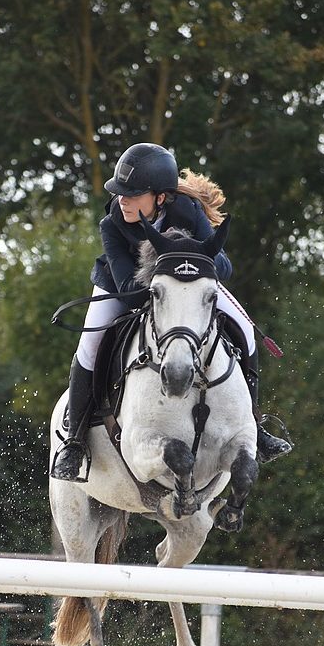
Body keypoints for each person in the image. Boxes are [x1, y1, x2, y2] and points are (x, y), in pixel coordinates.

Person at [51, 142, 292, 481]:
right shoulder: (112, 223)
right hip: (120, 285)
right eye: (121, 193)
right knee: (89, 346)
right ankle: (74, 442)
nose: (123, 200)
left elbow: (223, 267)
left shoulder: (187, 211)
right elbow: (131, 293)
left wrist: (190, 262)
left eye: (132, 194)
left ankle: (254, 424)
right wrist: (164, 269)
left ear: (160, 197)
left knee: (243, 327)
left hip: (186, 284)